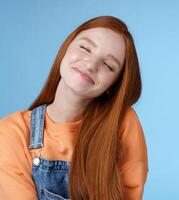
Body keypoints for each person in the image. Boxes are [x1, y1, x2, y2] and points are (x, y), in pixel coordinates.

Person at [0, 16, 149, 200]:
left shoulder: (123, 122)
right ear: (65, 48)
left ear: (113, 85)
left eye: (108, 65)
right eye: (85, 48)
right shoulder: (11, 132)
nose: (90, 65)